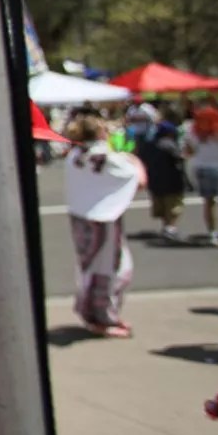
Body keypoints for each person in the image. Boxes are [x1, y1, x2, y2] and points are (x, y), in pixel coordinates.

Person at [64, 113, 142, 338]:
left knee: (90, 267)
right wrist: (133, 159)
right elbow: (135, 177)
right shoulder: (106, 156)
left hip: (81, 216)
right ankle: (103, 316)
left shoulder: (76, 155)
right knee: (113, 268)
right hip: (103, 218)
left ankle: (96, 312)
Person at [136, 117, 188, 242]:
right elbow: (179, 158)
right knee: (173, 206)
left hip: (155, 180)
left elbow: (141, 159)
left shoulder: (148, 145)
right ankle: (170, 227)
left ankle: (166, 227)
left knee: (162, 205)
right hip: (172, 180)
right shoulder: (169, 145)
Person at [184, 106, 218, 244]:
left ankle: (212, 233)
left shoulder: (193, 132)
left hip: (203, 168)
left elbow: (188, 152)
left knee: (209, 203)